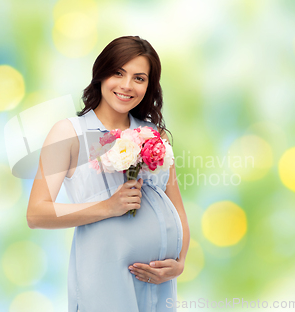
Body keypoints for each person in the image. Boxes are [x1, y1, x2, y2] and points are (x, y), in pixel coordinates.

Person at [27, 35, 190, 312]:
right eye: (118, 73)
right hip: (103, 276)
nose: (127, 86)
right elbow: (36, 214)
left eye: (139, 78)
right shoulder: (69, 133)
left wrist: (179, 263)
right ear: (101, 74)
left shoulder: (155, 135)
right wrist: (108, 207)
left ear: (148, 86)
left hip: (157, 282)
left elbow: (176, 207)